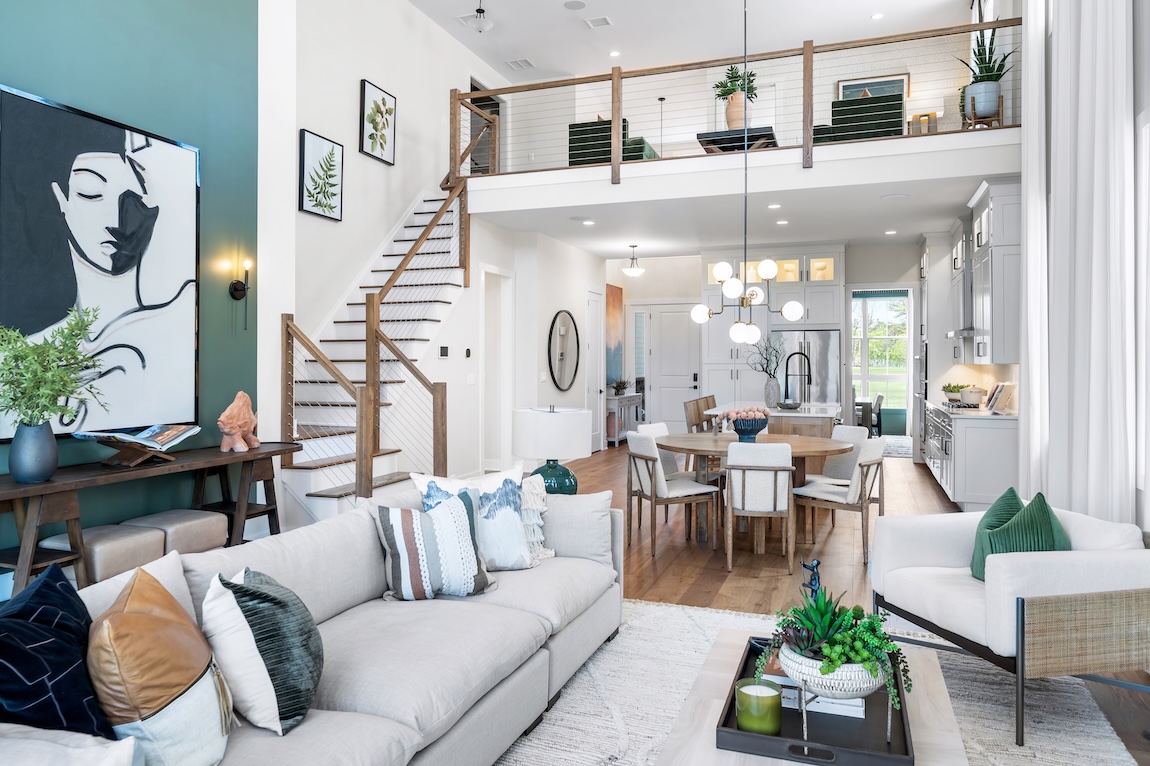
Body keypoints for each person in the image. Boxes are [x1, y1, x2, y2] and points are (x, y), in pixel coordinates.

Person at [0, 90, 197, 435]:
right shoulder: (31, 354)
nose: (115, 219)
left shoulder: (181, 307)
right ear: (61, 197)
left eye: (132, 199)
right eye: (91, 191)